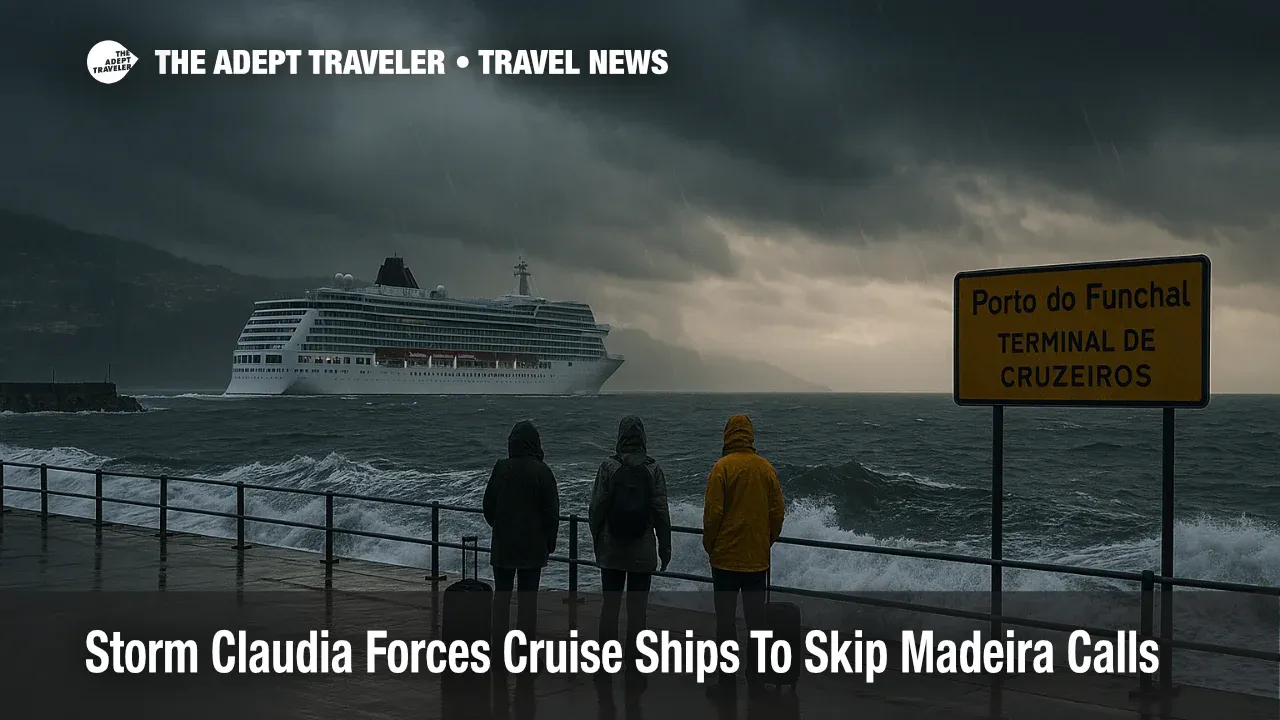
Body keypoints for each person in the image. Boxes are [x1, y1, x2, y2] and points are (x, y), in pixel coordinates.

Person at [702, 414, 784, 687]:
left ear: (727, 435)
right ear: (750, 435)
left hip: (724, 561)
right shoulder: (765, 468)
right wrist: (766, 541)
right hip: (757, 561)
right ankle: (756, 680)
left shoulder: (722, 468)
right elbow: (777, 513)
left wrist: (710, 545)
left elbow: (713, 514)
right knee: (756, 623)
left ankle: (726, 682)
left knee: (725, 623)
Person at [589, 415, 672, 675]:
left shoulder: (608, 467)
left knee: (610, 608)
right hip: (642, 549)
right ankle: (635, 669)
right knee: (637, 612)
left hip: (611, 549)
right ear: (643, 438)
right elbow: (661, 512)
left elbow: (596, 508)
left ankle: (605, 667)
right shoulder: (653, 469)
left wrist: (597, 539)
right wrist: (665, 547)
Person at [483, 420, 560, 644]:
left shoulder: (501, 467)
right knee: (528, 603)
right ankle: (525, 649)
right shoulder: (542, 471)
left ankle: (498, 646)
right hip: (533, 548)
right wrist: (549, 543)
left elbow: (488, 505)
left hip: (503, 546)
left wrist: (500, 528)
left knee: (501, 599)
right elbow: (551, 513)